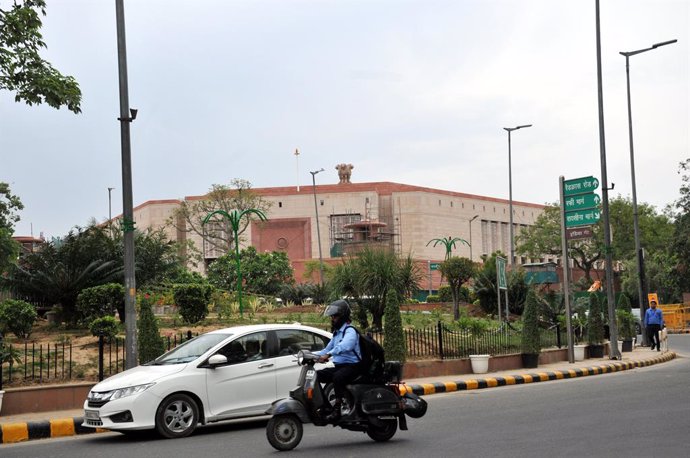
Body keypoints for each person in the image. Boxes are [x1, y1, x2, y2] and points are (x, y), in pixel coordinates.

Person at [314, 299, 361, 422]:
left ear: (343, 316)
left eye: (334, 316)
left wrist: (329, 355)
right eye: (332, 316)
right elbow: (326, 349)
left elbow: (346, 346)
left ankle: (337, 409)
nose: (332, 319)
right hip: (340, 366)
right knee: (316, 375)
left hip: (353, 366)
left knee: (337, 377)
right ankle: (325, 406)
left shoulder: (350, 331)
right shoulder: (337, 333)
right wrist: (310, 356)